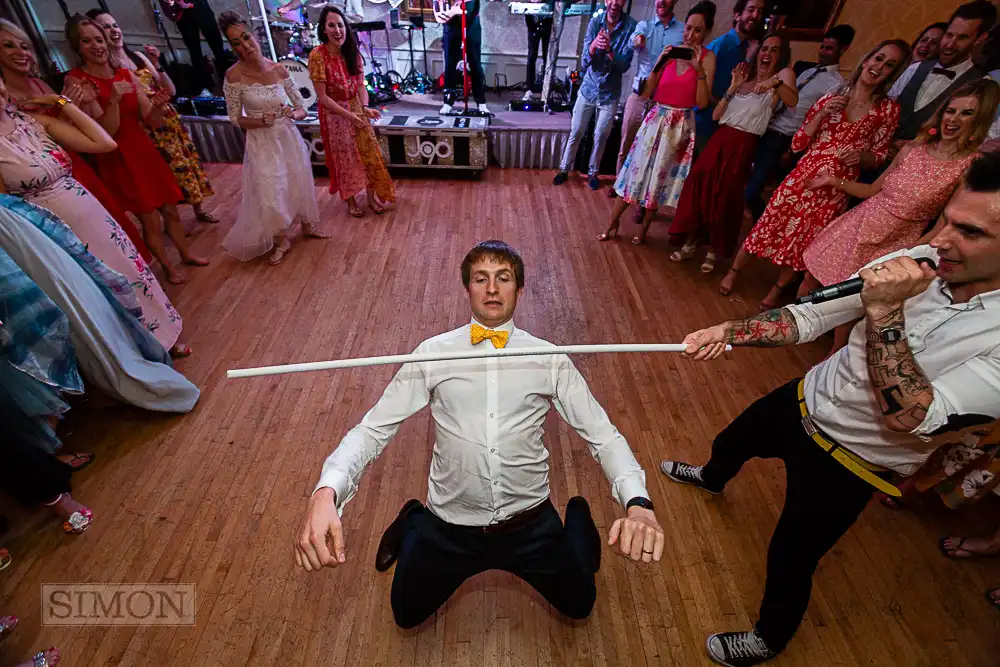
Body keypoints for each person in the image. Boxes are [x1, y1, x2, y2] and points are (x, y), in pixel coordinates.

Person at [660, 150, 1000, 666]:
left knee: (791, 556)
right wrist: (730, 332)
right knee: (731, 442)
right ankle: (710, 477)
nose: (940, 240)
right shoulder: (920, 259)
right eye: (947, 220)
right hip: (803, 400)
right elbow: (811, 315)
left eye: (970, 232)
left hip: (851, 464)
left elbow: (915, 414)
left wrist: (885, 311)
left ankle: (768, 638)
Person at [294, 240, 666, 629]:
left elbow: (604, 437)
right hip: (450, 527)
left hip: (530, 523)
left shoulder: (550, 358)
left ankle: (577, 514)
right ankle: (414, 519)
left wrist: (638, 503)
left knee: (581, 605)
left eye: (503, 279)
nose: (491, 289)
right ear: (467, 289)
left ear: (519, 290)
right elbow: (371, 431)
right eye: (481, 279)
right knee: (405, 615)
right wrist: (327, 492)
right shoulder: (431, 354)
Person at [0, 73, 193, 359]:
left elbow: (103, 143)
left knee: (127, 273)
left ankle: (161, 338)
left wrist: (61, 102)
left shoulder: (33, 122)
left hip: (90, 212)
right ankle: (134, 356)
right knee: (95, 291)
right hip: (49, 227)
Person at [801, 80, 998, 353]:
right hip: (861, 222)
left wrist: (911, 253)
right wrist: (834, 181)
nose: (954, 119)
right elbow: (872, 189)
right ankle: (794, 328)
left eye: (967, 113)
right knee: (812, 277)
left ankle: (835, 357)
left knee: (853, 299)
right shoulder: (912, 150)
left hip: (897, 237)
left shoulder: (969, 165)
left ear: (979, 121)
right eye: (951, 110)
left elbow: (945, 222)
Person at [720, 39, 909, 308]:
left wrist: (863, 156)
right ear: (866, 60)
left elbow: (879, 156)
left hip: (836, 187)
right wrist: (820, 115)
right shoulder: (832, 97)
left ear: (894, 73)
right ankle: (733, 272)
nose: (880, 67)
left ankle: (775, 291)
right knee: (768, 223)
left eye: (890, 65)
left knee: (805, 242)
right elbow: (797, 143)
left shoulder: (888, 110)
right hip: (803, 178)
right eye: (878, 59)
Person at [0, 195, 201, 413]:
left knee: (86, 299)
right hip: (15, 237)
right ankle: (105, 381)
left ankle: (127, 362)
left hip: (23, 223)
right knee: (66, 309)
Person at [63, 15, 210, 286]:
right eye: (86, 41)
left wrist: (159, 105)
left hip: (145, 149)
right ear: (76, 47)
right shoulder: (77, 80)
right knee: (149, 219)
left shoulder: (125, 73)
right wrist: (115, 100)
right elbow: (106, 131)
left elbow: (150, 119)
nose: (96, 46)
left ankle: (186, 254)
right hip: (118, 155)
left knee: (171, 209)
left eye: (99, 39)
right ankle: (167, 268)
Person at [0, 18, 152, 263]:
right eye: (9, 46)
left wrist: (65, 105)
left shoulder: (39, 84)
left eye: (25, 46)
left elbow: (71, 128)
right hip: (42, 183)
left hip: (75, 164)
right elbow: (32, 147)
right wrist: (65, 108)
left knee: (113, 229)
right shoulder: (5, 96)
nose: (21, 53)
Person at [667, 33, 796, 265]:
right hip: (721, 139)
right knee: (699, 186)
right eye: (764, 49)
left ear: (781, 55)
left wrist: (775, 82)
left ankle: (714, 249)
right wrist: (733, 87)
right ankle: (691, 240)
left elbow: (792, 101)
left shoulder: (782, 77)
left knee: (725, 197)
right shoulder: (744, 78)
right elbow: (717, 115)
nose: (767, 54)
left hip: (743, 144)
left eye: (774, 50)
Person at [598, 2, 716, 244]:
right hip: (656, 118)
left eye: (698, 31)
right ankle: (612, 221)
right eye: (689, 29)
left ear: (707, 33)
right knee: (633, 172)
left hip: (680, 123)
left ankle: (644, 229)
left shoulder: (707, 58)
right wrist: (659, 63)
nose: (690, 35)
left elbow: (702, 103)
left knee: (658, 180)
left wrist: (699, 71)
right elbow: (646, 93)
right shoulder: (670, 53)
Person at [87, 9, 218, 224]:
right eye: (105, 27)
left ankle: (198, 210)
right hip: (145, 127)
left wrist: (157, 64)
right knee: (165, 174)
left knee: (186, 164)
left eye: (115, 25)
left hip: (167, 119)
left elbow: (170, 90)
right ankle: (169, 220)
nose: (113, 31)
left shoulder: (136, 57)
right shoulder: (107, 67)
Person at [219, 11, 327, 265]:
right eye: (236, 42)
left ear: (254, 35)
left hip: (287, 136)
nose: (245, 46)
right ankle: (281, 239)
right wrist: (259, 121)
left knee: (298, 180)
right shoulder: (232, 76)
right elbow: (235, 118)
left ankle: (308, 226)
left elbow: (301, 108)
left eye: (246, 37)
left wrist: (294, 113)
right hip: (261, 142)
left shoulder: (278, 69)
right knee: (271, 188)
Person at [744, 24, 855, 222]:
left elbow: (821, 119)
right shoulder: (805, 72)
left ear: (843, 50)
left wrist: (793, 149)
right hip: (768, 129)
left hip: (786, 138)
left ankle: (763, 225)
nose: (823, 52)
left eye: (829, 48)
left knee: (754, 188)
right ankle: (760, 224)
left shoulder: (836, 83)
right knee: (749, 183)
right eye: (823, 46)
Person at [308, 6, 395, 218]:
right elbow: (323, 98)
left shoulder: (352, 52)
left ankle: (371, 198)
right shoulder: (317, 56)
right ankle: (351, 201)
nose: (337, 30)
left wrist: (364, 109)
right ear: (323, 29)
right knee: (345, 159)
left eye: (340, 25)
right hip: (335, 114)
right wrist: (350, 116)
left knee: (369, 154)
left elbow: (361, 85)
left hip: (356, 107)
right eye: (331, 25)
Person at [553, 0, 636, 190]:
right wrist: (593, 47)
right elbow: (584, 61)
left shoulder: (631, 26)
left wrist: (608, 50)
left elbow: (624, 65)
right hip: (588, 88)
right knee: (576, 131)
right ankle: (564, 169)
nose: (615, 3)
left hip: (610, 93)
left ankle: (593, 173)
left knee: (600, 136)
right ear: (606, 1)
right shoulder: (595, 21)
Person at [889, 1, 996, 146]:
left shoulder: (980, 83)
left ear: (980, 39)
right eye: (949, 35)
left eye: (962, 38)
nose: (950, 44)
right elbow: (885, 109)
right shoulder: (915, 68)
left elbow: (970, 139)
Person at [609, 0, 684, 193]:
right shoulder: (644, 25)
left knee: (655, 151)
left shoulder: (683, 31)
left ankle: (643, 196)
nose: (661, 1)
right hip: (640, 95)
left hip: (664, 100)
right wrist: (637, 41)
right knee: (627, 142)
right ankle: (619, 186)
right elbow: (633, 40)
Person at [695, 0, 767, 152]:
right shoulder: (722, 45)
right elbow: (701, 90)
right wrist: (727, 108)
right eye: (751, 10)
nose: (755, 15)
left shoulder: (750, 48)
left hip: (721, 126)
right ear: (737, 15)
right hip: (702, 124)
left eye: (760, 12)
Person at [436, 0, 489, 115]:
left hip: (471, 25)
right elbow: (439, 12)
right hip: (451, 26)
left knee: (475, 64)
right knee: (450, 64)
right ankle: (448, 102)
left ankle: (481, 102)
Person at [169, 0, 231, 96]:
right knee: (195, 52)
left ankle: (229, 81)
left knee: (217, 47)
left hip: (199, 6)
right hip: (183, 13)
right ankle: (204, 88)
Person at [521, 14, 553, 102]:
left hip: (548, 24)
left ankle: (547, 90)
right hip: (533, 23)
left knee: (547, 57)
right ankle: (529, 90)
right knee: (531, 57)